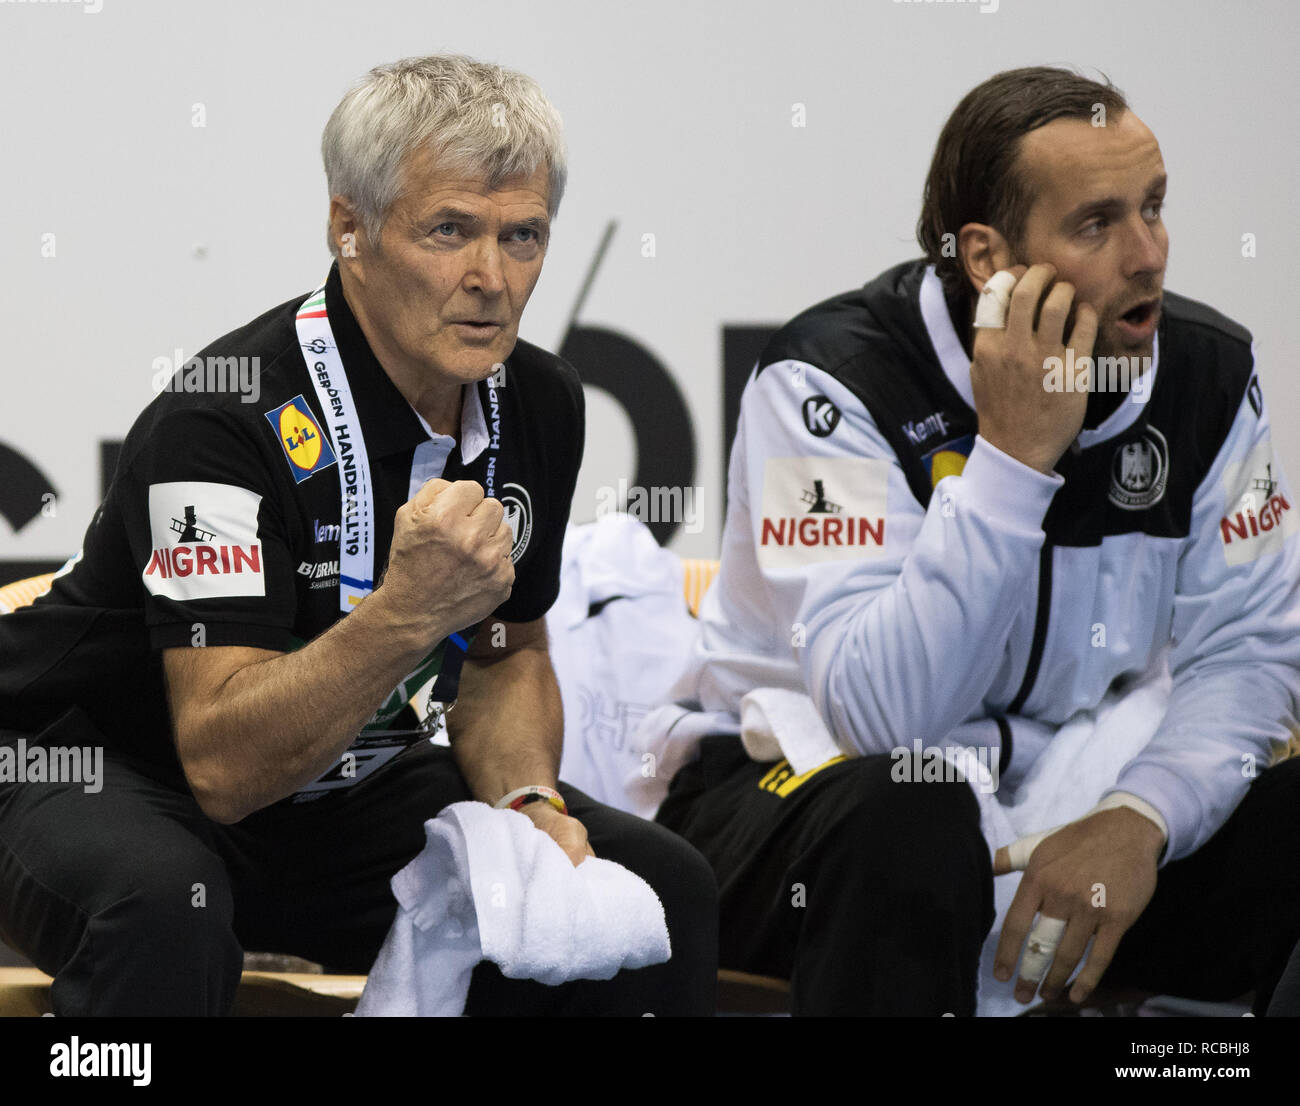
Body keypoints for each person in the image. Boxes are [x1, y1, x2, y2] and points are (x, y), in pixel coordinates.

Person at [0, 54, 717, 1017]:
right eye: (450, 230)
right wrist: (407, 613)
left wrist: (527, 801)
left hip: (338, 790)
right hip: (93, 765)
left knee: (641, 882)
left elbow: (508, 651)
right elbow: (221, 762)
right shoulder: (219, 421)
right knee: (163, 908)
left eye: (523, 237)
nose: (491, 279)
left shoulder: (540, 400)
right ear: (351, 228)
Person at [650, 66, 1300, 1016]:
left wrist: (1140, 817)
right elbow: (882, 718)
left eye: (1154, 209)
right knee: (912, 817)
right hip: (801, 796)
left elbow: (1248, 652)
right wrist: (1012, 459)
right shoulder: (824, 383)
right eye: (1098, 224)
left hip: (1085, 801)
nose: (1148, 254)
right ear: (989, 258)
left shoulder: (1209, 373)